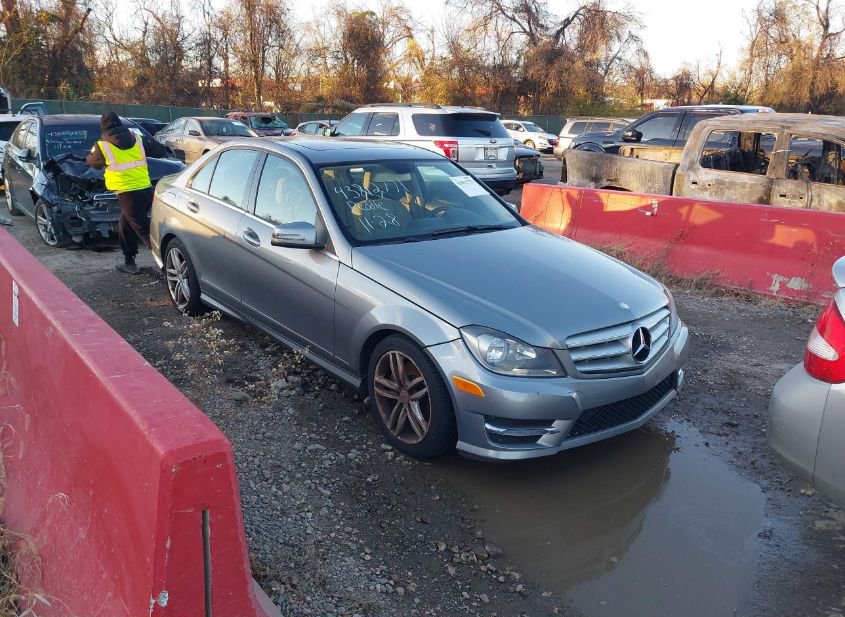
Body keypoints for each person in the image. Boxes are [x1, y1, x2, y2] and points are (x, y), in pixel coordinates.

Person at [86, 111, 169, 274]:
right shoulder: (137, 139)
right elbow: (159, 151)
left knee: (145, 232)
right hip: (145, 190)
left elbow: (92, 163)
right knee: (125, 224)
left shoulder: (102, 146)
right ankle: (129, 261)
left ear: (104, 128)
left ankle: (171, 267)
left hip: (127, 193)